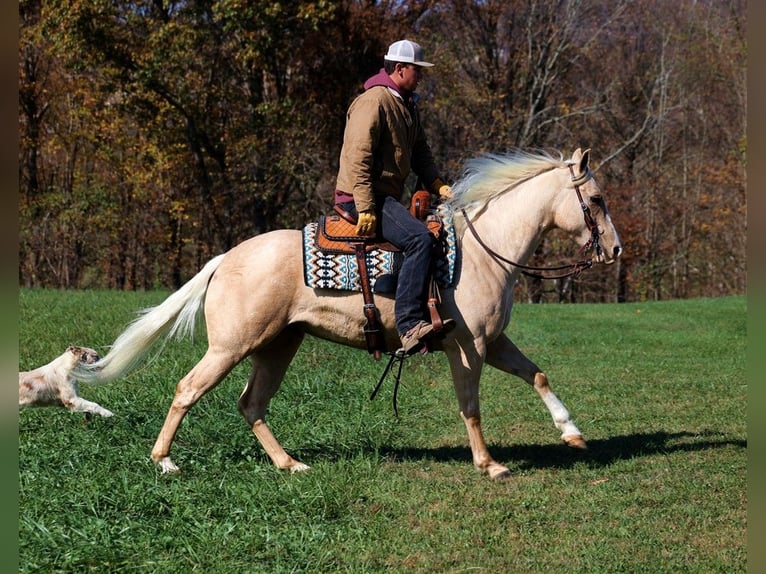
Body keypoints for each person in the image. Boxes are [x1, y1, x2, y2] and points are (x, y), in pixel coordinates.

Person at [333, 39, 453, 355]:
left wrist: (438, 182)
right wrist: (366, 207)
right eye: (417, 70)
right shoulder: (373, 102)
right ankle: (409, 325)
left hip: (383, 199)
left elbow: (421, 152)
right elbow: (358, 157)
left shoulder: (406, 105)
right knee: (420, 240)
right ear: (399, 69)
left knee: (430, 234)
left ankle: (394, 286)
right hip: (363, 197)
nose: (421, 77)